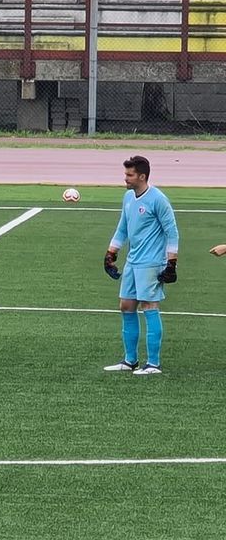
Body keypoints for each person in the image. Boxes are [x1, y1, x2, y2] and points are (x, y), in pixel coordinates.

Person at [103, 155, 179, 375]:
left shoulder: (158, 199)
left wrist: (172, 263)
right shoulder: (128, 197)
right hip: (133, 261)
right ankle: (130, 361)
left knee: (149, 306)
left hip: (151, 263)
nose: (125, 178)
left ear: (142, 176)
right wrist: (110, 253)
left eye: (130, 175)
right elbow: (122, 228)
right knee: (126, 306)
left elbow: (172, 232)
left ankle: (153, 364)